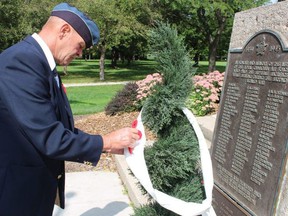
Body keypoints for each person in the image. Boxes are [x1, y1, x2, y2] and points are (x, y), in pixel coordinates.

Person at [0, 2, 139, 216]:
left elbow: (59, 127)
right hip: (15, 193)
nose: (80, 54)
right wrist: (107, 140)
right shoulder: (22, 62)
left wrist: (105, 145)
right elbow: (50, 138)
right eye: (81, 45)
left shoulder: (40, 64)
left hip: (31, 190)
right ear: (64, 31)